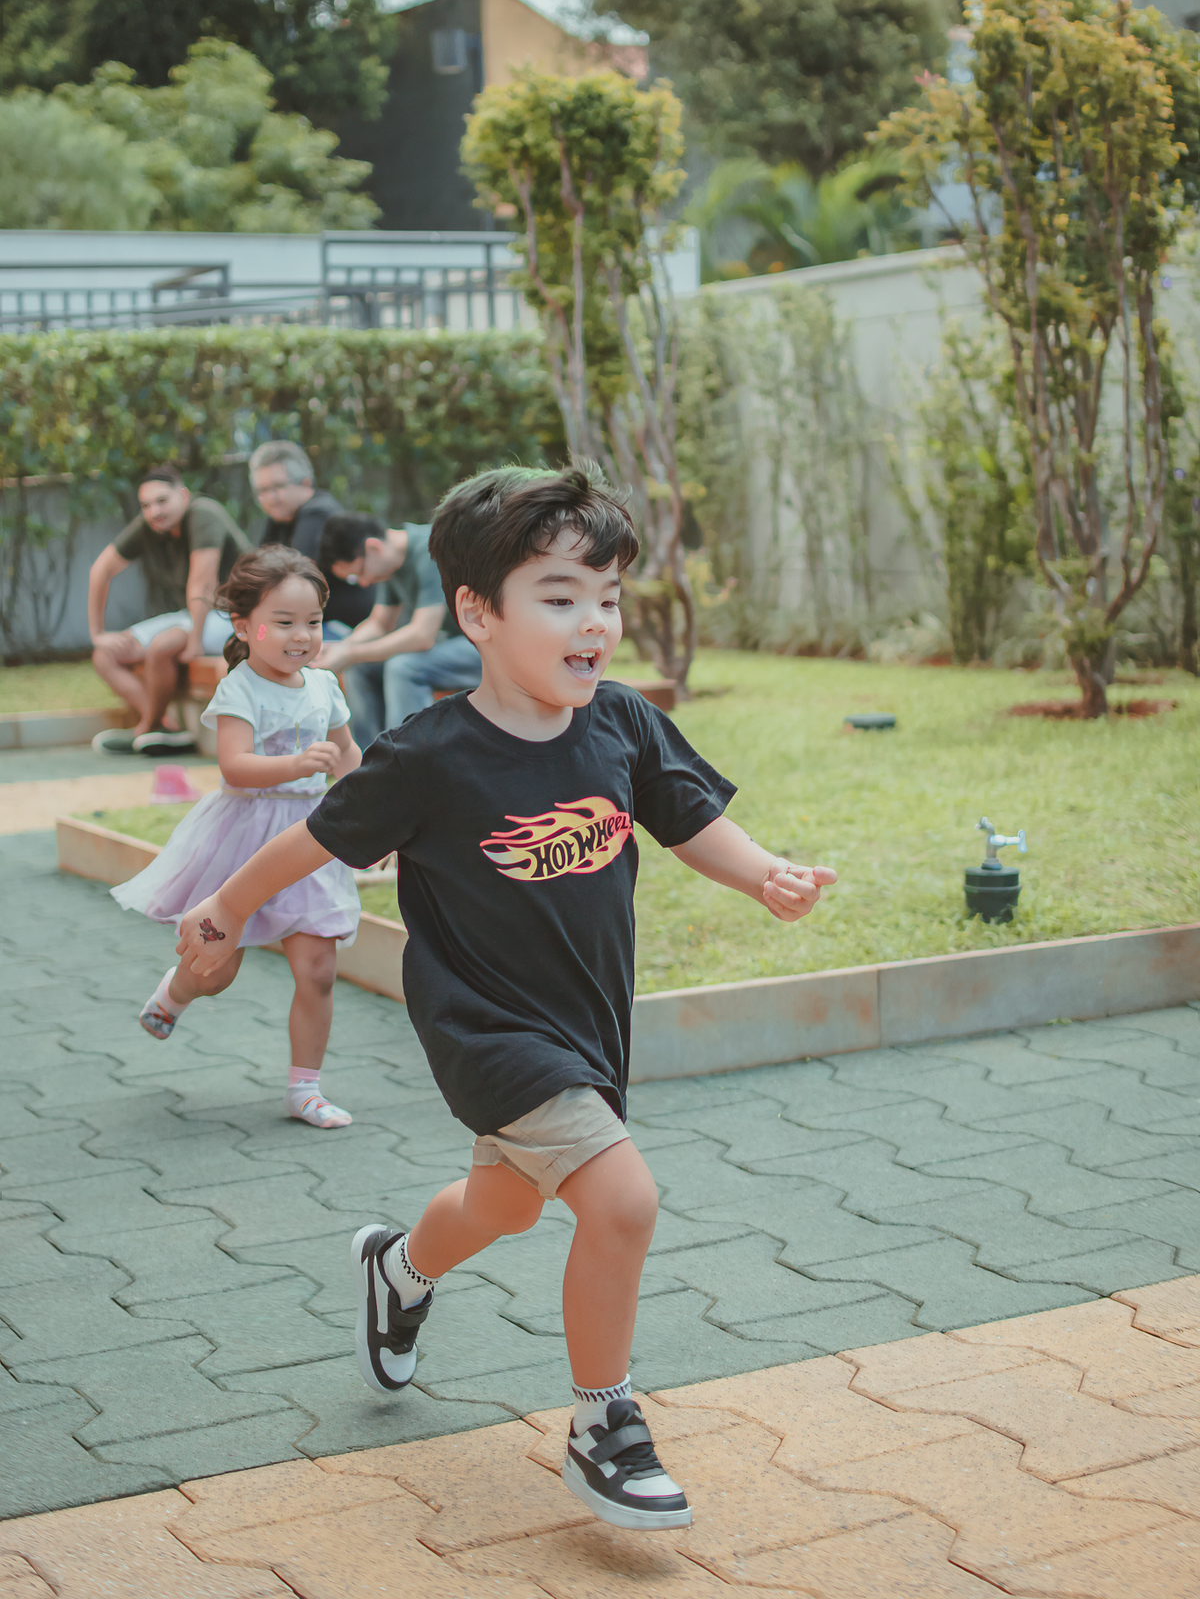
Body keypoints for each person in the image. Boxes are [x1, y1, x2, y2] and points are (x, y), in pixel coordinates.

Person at [178, 466, 837, 1531]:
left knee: (509, 1201)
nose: (596, 623)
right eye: (563, 596)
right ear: (477, 612)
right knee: (621, 1200)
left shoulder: (621, 724)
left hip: (585, 1026)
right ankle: (600, 1425)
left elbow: (688, 819)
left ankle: (398, 1269)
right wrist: (218, 910)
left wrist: (763, 872)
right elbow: (312, 838)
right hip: (481, 1026)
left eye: (609, 599)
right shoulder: (430, 757)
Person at [114, 546, 362, 1129]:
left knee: (318, 968)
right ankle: (176, 993)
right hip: (242, 840)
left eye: (313, 622)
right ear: (245, 627)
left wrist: (376, 813)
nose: (302, 635)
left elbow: (348, 755)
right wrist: (300, 764)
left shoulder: (325, 685)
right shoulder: (240, 689)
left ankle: (305, 1088)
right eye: (284, 622)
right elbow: (235, 769)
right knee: (216, 971)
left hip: (311, 842)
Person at [89, 465, 250, 755]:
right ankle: (164, 727)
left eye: (162, 501)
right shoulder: (151, 525)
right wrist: (97, 633)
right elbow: (100, 570)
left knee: (163, 645)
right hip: (194, 613)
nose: (154, 512)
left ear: (184, 495)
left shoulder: (203, 514)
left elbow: (203, 584)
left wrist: (195, 641)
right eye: (146, 505)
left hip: (237, 614)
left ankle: (145, 730)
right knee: (106, 654)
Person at [315, 512, 482, 746]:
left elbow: (423, 636)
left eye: (358, 573)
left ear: (374, 548)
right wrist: (340, 648)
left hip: (487, 645)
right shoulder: (391, 565)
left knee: (403, 667)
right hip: (454, 647)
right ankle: (370, 764)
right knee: (359, 667)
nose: (363, 583)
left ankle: (405, 760)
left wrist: (350, 653)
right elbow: (379, 623)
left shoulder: (429, 548)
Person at [249, 441, 371, 636]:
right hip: (312, 622)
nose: (271, 497)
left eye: (278, 486)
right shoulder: (280, 518)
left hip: (347, 628)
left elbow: (293, 583)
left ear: (305, 483)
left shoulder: (318, 513)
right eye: (262, 491)